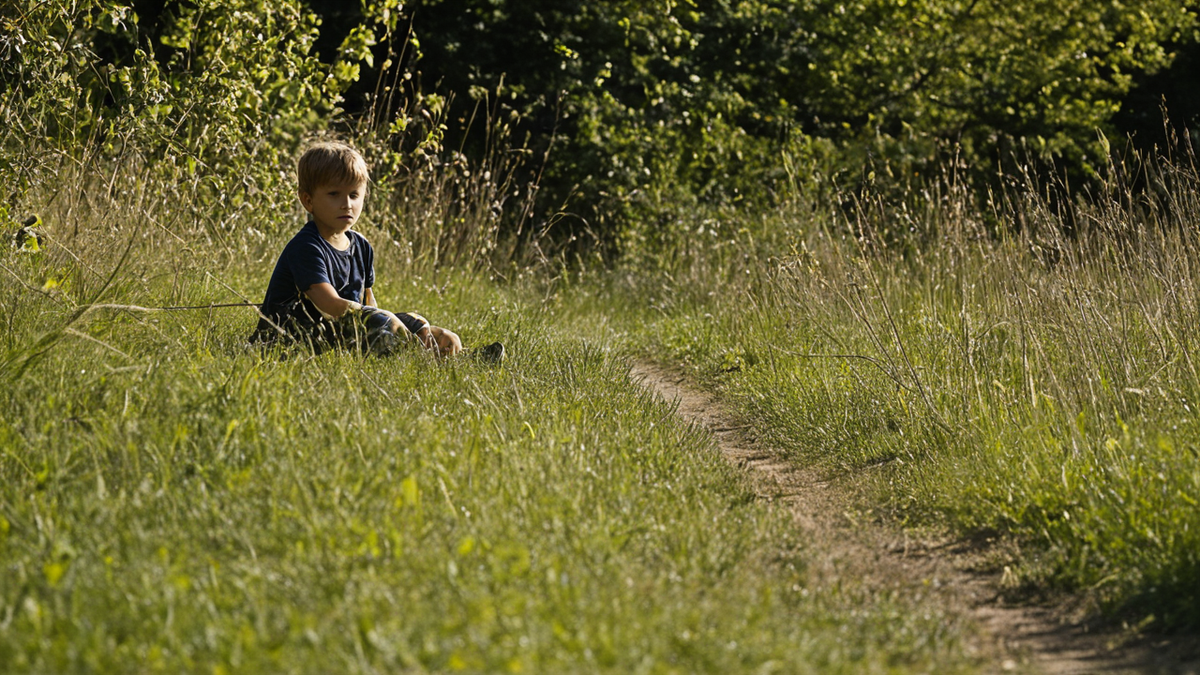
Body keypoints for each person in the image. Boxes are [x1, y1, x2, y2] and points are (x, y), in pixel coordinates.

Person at [250, 141, 500, 361]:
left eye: (354, 195)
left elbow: (368, 301)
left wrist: (412, 327)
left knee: (416, 320)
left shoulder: (361, 246)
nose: (346, 204)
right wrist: (384, 322)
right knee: (384, 322)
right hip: (293, 339)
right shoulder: (306, 246)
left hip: (339, 332)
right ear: (308, 200)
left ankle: (456, 354)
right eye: (334, 194)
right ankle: (424, 357)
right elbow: (329, 304)